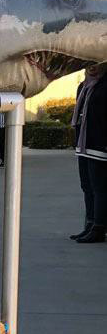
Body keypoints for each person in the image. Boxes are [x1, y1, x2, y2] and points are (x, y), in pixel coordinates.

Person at [71, 63, 107, 243]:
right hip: (83, 144)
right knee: (86, 186)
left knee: (99, 188)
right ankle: (90, 224)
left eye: (97, 63)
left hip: (100, 145)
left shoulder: (105, 85)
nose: (93, 67)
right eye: (89, 64)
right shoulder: (83, 85)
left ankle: (99, 228)